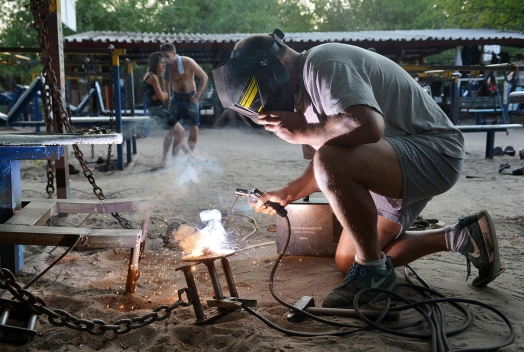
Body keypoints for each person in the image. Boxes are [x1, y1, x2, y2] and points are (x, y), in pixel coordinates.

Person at [213, 30, 503, 308]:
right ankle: (462, 236)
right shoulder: (304, 100)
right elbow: (330, 164)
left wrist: (302, 131)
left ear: (274, 67)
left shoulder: (323, 63)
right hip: (391, 162)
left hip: (434, 153)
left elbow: (366, 126)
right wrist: (287, 193)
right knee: (348, 261)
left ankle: (374, 272)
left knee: (334, 172)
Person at [144, 52, 194, 168]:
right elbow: (162, 96)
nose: (164, 65)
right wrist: (165, 94)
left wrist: (160, 94)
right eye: (161, 63)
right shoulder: (153, 77)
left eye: (164, 63)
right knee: (180, 131)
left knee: (175, 132)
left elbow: (157, 96)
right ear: (155, 63)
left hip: (156, 109)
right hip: (157, 110)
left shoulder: (149, 75)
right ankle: (174, 161)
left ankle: (187, 157)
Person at [161, 43, 208, 152]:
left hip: (191, 98)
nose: (165, 60)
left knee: (194, 130)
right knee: (172, 130)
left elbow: (204, 77)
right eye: (163, 56)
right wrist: (166, 108)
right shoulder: (165, 68)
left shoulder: (187, 62)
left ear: (174, 53)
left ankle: (189, 157)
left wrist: (197, 96)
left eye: (167, 56)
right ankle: (172, 159)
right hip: (176, 98)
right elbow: (166, 89)